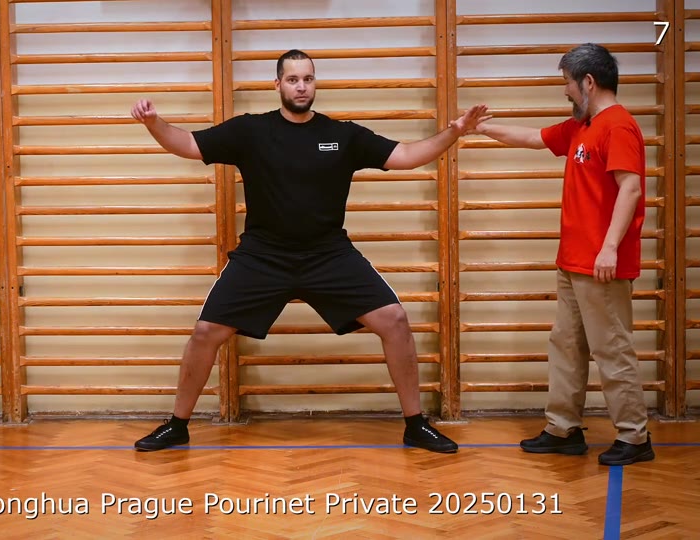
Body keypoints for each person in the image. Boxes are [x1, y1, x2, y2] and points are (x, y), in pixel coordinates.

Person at [130, 49, 487, 453]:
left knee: (395, 320)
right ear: (277, 84)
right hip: (263, 256)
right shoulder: (250, 131)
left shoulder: (343, 135)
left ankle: (415, 424)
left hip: (328, 255)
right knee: (205, 332)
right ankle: (178, 425)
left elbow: (405, 156)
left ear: (315, 83)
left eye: (308, 79)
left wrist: (454, 132)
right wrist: (154, 123)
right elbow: (188, 144)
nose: (301, 86)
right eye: (293, 79)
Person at [472, 43, 654, 466]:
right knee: (567, 347)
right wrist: (480, 128)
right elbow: (533, 138)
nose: (565, 91)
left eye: (568, 83)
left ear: (588, 82)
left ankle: (634, 436)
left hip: (601, 264)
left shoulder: (618, 126)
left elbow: (630, 188)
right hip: (573, 262)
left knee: (612, 349)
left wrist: (609, 248)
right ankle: (562, 428)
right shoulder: (581, 127)